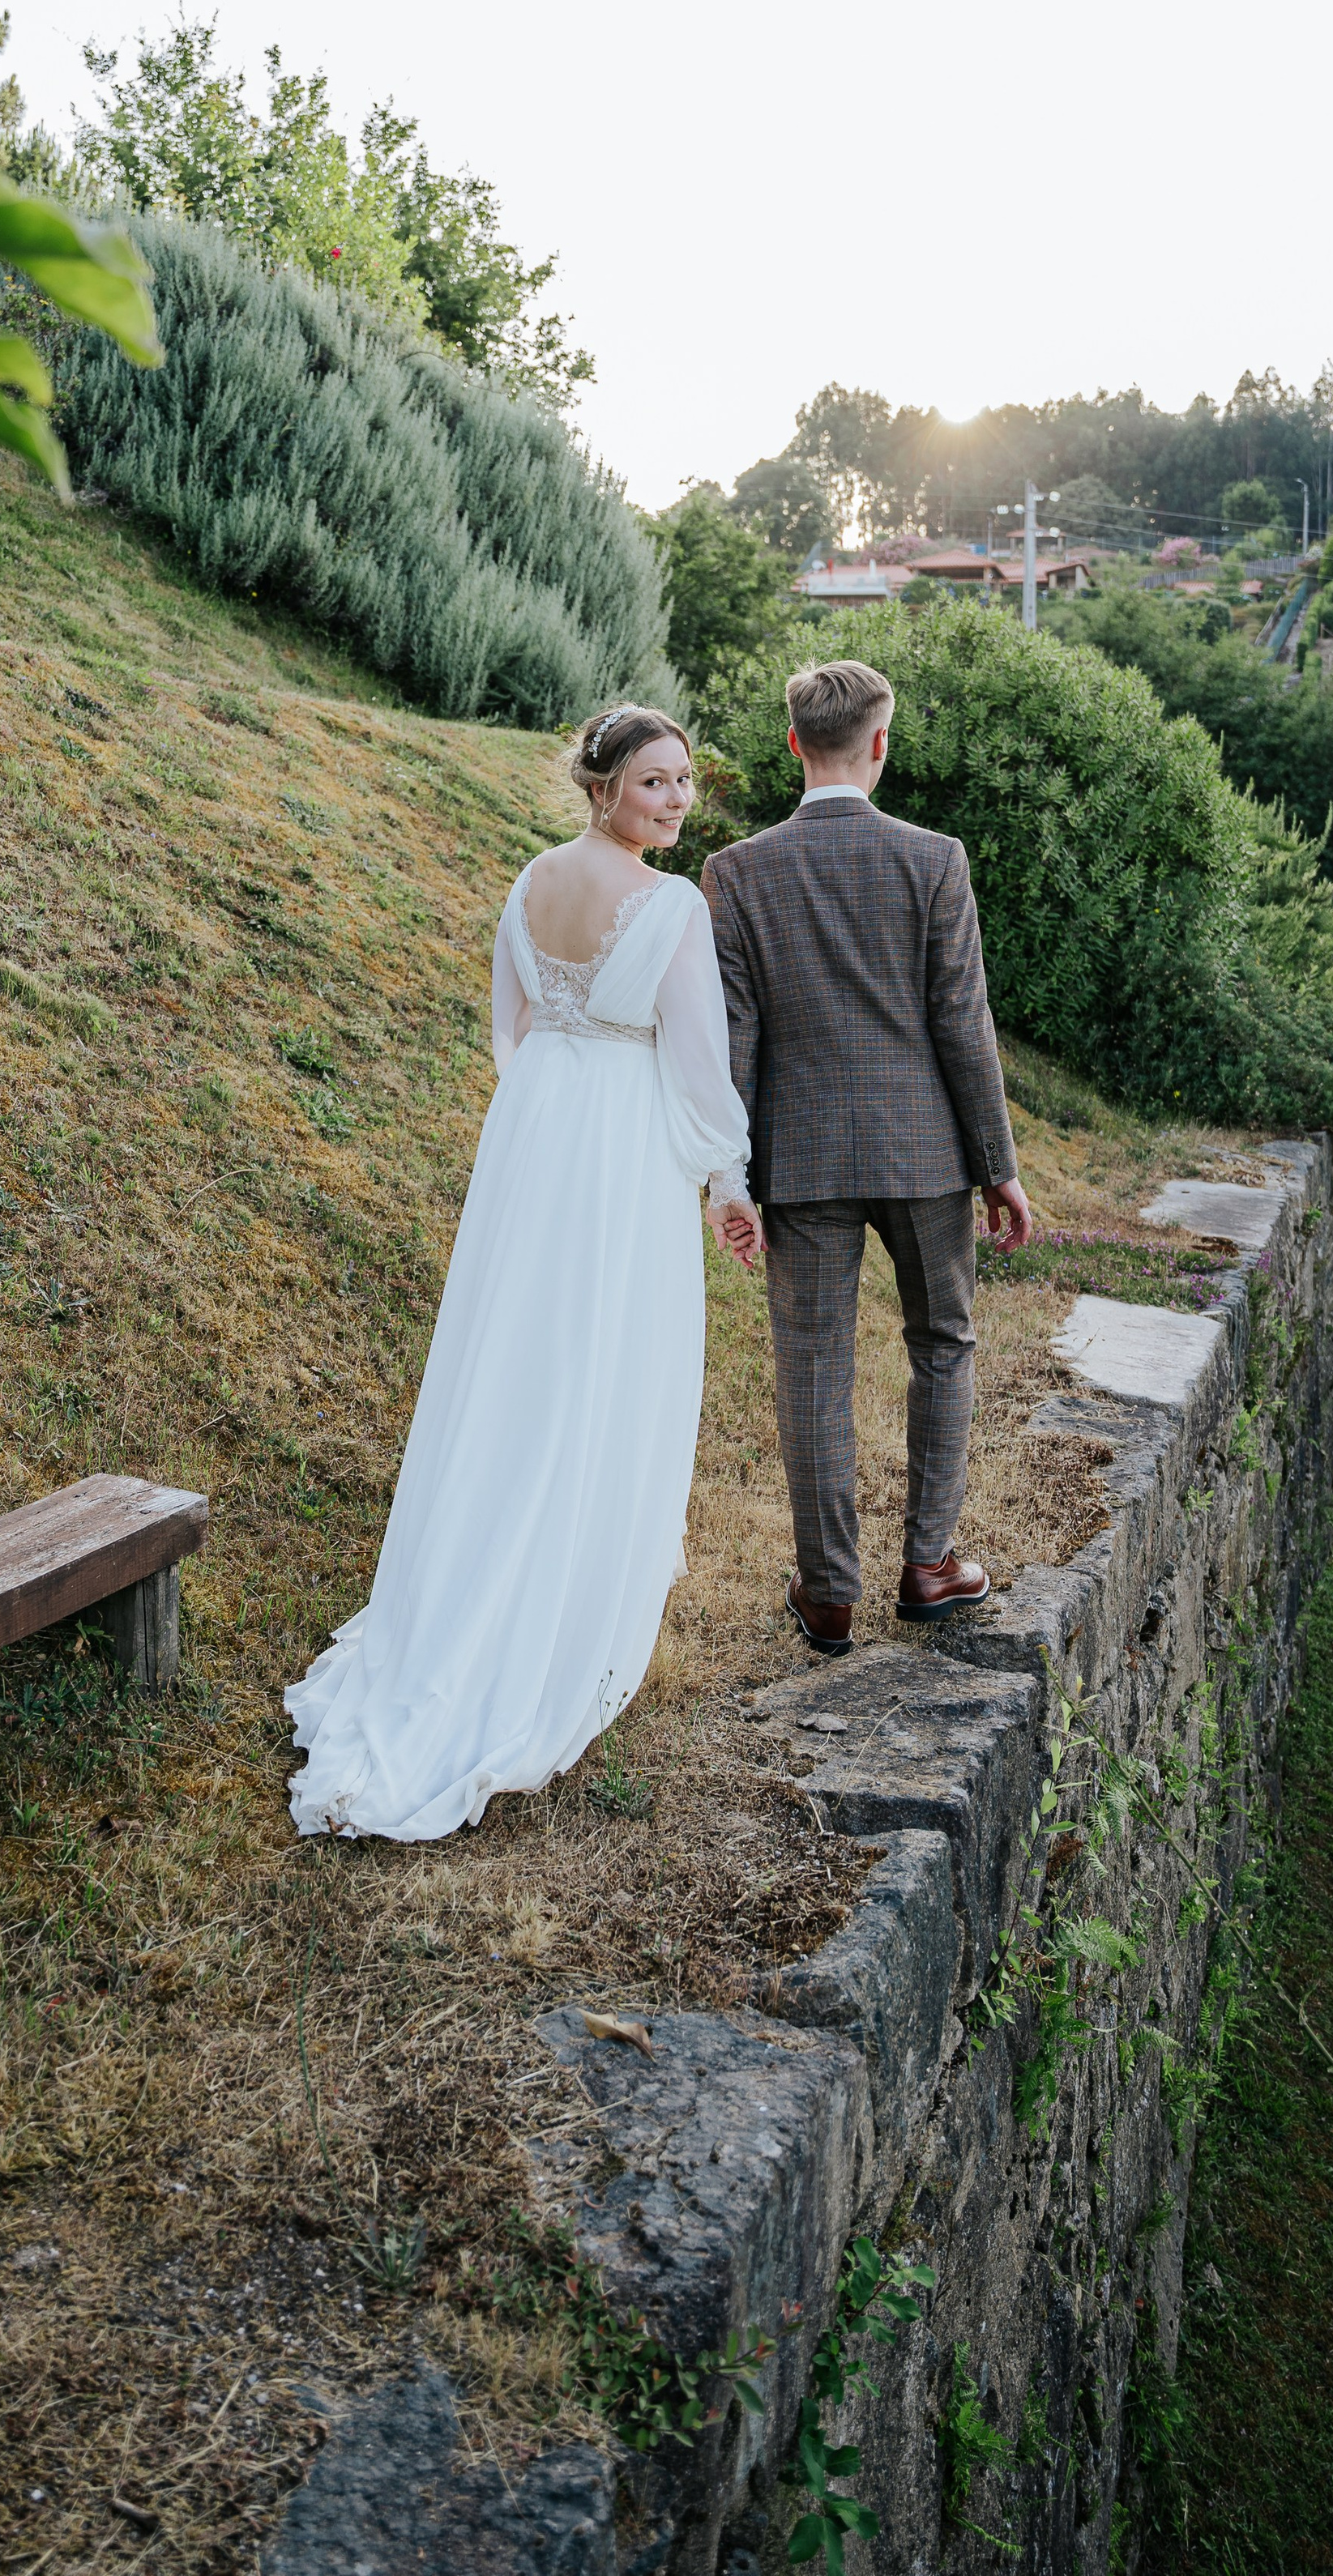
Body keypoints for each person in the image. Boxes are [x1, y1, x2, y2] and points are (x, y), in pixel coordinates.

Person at [286, 706, 761, 1841]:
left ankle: (486, 1566)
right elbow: (698, 1061)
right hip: (620, 1146)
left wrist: (556, 1093)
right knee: (601, 1356)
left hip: (538, 1131)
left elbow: (513, 1030)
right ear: (603, 787)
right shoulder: (672, 907)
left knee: (519, 1352)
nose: (677, 801)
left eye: (684, 781)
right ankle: (556, 1601)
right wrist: (727, 1178)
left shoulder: (528, 883)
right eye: (654, 782)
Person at [703, 657, 1032, 1651]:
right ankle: (930, 1564)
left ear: (792, 744)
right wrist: (997, 1164)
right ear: (879, 742)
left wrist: (731, 1174)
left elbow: (734, 1039)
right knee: (943, 1343)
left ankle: (828, 1592)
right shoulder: (934, 859)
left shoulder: (735, 871)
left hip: (799, 1160)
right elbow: (962, 1022)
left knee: (812, 1366)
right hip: (924, 1154)